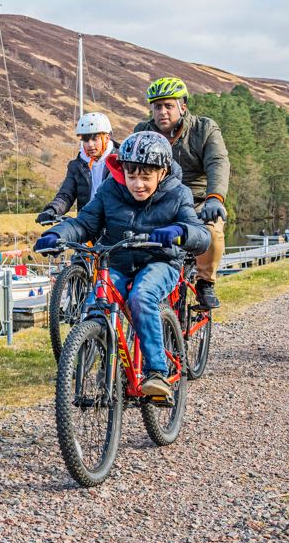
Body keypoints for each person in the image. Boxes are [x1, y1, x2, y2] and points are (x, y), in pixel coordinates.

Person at [34, 132, 211, 399]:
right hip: (117, 259)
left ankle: (156, 374)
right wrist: (58, 234)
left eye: (145, 177)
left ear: (162, 172)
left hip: (160, 261)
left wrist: (179, 231)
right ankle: (105, 368)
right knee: (95, 307)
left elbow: (201, 235)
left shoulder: (178, 193)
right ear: (123, 171)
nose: (137, 184)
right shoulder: (110, 189)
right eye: (131, 176)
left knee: (141, 296)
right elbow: (85, 223)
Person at [133, 77, 228, 310]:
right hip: (159, 200)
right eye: (157, 107)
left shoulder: (204, 128)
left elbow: (218, 162)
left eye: (169, 105)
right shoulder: (143, 131)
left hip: (197, 200)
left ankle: (205, 283)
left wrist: (214, 197)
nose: (162, 112)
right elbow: (129, 167)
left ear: (182, 106)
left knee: (211, 232)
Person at [36, 112, 115, 226]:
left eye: (95, 139)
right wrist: (52, 210)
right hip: (88, 225)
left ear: (107, 137)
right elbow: (66, 195)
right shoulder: (76, 166)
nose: (90, 145)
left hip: (115, 225)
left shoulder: (120, 162)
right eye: (86, 140)